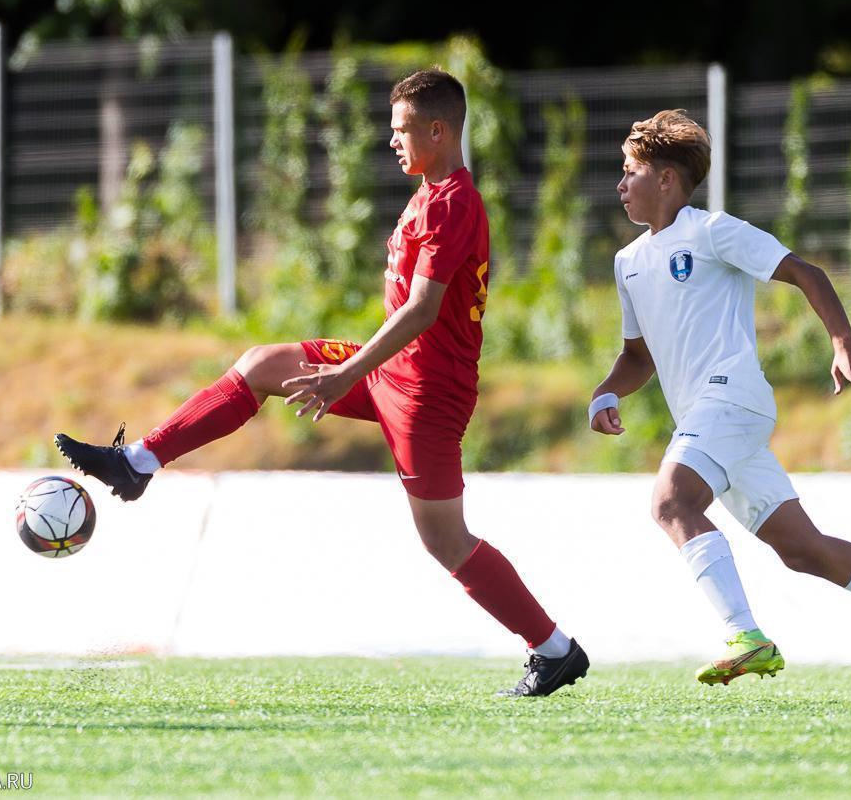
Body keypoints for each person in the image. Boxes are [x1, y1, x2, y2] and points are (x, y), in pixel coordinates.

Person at [56, 69, 588, 697]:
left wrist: (345, 374)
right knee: (261, 364)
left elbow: (422, 310)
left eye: (402, 130)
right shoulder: (428, 194)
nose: (392, 141)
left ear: (439, 132)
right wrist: (356, 370)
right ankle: (137, 463)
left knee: (446, 542)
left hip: (428, 396)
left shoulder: (452, 203)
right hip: (392, 370)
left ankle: (554, 649)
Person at [589, 109, 851, 692]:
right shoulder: (627, 263)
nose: (620, 183)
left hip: (731, 399)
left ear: (666, 179)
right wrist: (604, 392)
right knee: (803, 550)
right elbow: (638, 357)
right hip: (709, 420)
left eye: (630, 171)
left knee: (671, 502)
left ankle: (746, 637)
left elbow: (805, 272)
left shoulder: (712, 230)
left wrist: (842, 342)